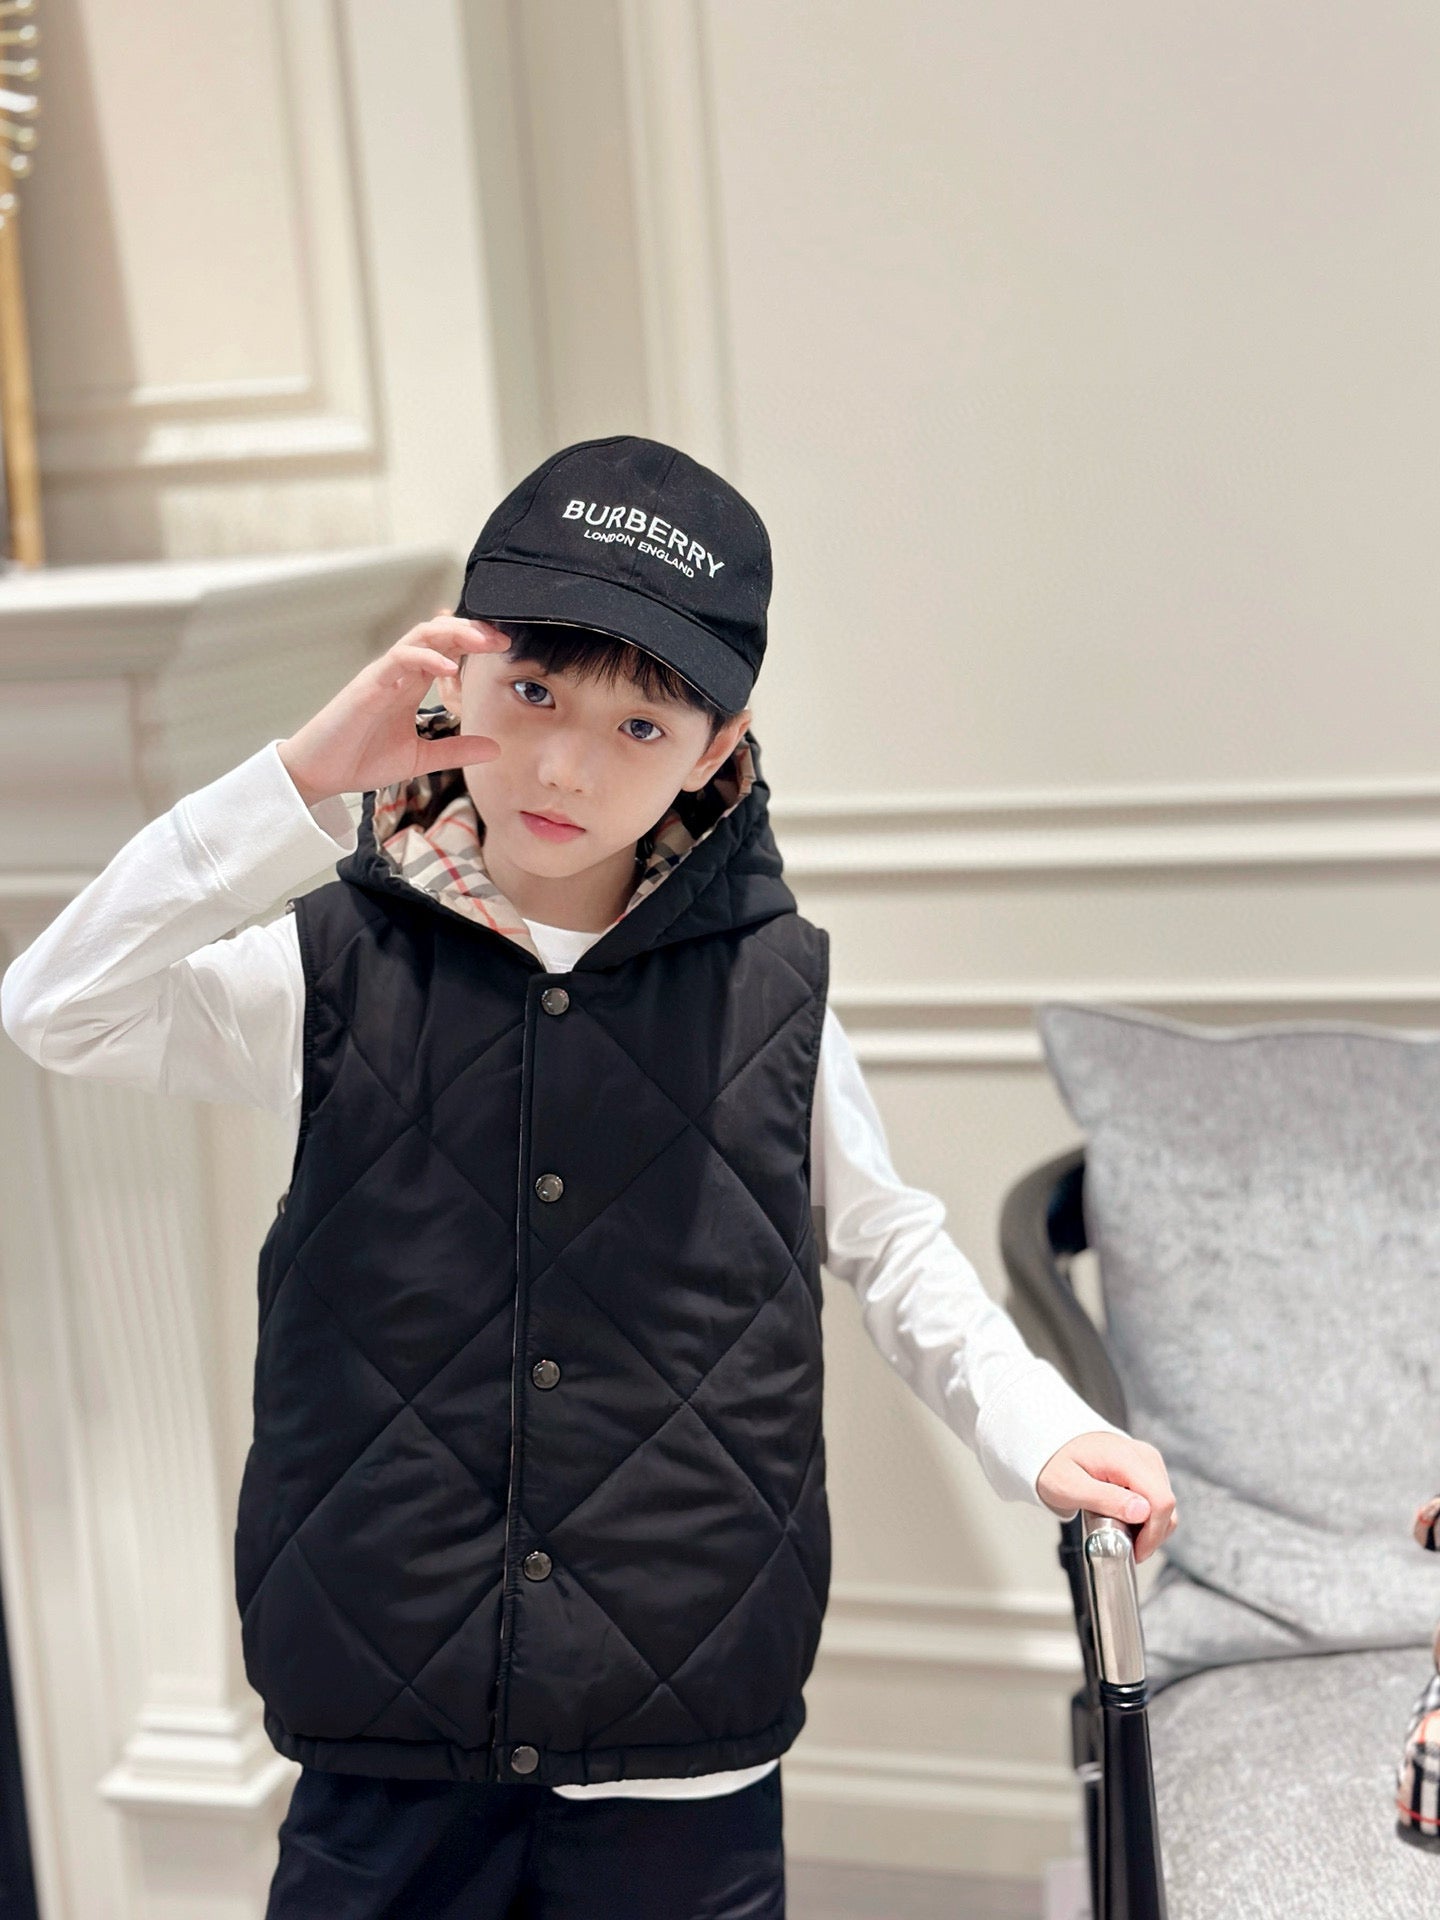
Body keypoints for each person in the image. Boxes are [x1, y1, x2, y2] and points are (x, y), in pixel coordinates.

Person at [1, 434, 1176, 1919]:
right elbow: (56, 1006)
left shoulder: (768, 997)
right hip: (388, 1716)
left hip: (673, 1730)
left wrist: (1041, 1430)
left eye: (639, 724)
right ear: (451, 673)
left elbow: (890, 1246)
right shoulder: (331, 968)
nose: (564, 764)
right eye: (536, 692)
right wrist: (300, 779)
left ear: (717, 748)